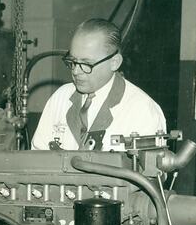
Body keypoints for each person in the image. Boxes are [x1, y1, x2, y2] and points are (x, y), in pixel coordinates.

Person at [31, 18, 166, 151]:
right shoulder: (60, 98)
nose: (76, 71)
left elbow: (148, 171)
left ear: (114, 62)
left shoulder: (143, 110)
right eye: (72, 61)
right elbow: (37, 157)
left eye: (86, 64)